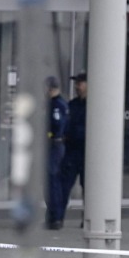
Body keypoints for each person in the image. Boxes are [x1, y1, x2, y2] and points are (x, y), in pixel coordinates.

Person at [58, 72, 88, 226]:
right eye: (76, 83)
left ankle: (88, 219)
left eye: (80, 83)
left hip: (87, 153)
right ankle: (58, 218)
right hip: (72, 151)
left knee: (88, 189)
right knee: (64, 185)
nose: (77, 87)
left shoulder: (95, 106)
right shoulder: (73, 105)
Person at [45, 76, 70, 229]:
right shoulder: (57, 104)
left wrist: (50, 136)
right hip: (55, 145)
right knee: (50, 182)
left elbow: (58, 125)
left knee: (53, 181)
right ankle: (53, 216)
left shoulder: (56, 105)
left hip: (54, 146)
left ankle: (55, 217)